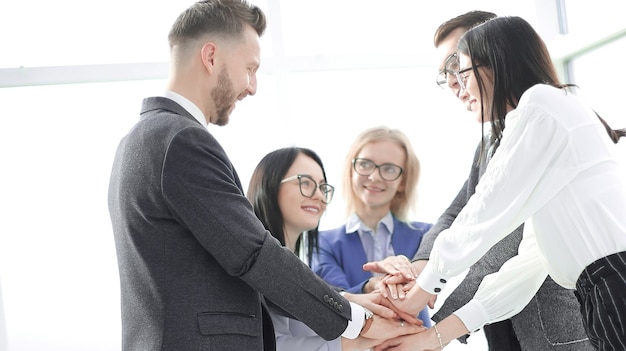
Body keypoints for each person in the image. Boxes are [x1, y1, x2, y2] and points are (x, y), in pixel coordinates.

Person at [107, 1, 420, 350]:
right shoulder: (183, 140)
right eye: (250, 68)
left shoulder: (142, 139)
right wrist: (354, 320)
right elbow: (253, 254)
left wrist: (350, 302)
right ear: (211, 57)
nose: (252, 86)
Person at [371, 16, 626, 351]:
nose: (456, 86)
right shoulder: (551, 114)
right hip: (603, 292)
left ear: (494, 61)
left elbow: (482, 216)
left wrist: (421, 291)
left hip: (607, 291)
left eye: (460, 70)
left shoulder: (540, 106)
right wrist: (434, 336)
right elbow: (528, 263)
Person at [247, 147, 405, 351]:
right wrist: (351, 343)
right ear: (269, 185)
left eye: (323, 187)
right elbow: (266, 343)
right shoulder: (254, 265)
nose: (319, 196)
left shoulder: (302, 269)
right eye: (305, 183)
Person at [312, 126, 432, 327]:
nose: (375, 177)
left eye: (389, 169)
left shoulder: (426, 236)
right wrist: (373, 285)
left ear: (402, 181)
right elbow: (336, 298)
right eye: (366, 164)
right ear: (351, 171)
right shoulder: (322, 243)